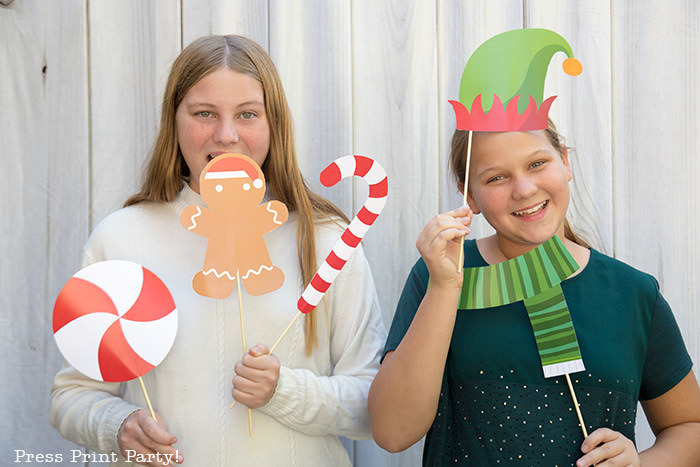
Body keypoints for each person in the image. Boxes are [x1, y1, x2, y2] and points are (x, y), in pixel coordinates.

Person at [50, 34, 386, 467]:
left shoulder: (326, 240)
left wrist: (284, 391)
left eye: (247, 114)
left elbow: (373, 405)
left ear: (273, 123)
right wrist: (116, 425)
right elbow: (73, 395)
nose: (226, 135)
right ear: (174, 120)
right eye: (204, 113)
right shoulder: (120, 239)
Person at [367, 122, 700, 466]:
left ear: (565, 162)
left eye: (537, 163)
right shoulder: (437, 276)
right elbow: (393, 432)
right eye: (496, 177)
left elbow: (690, 425)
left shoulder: (634, 294)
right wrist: (444, 288)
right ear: (469, 196)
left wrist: (641, 465)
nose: (524, 189)